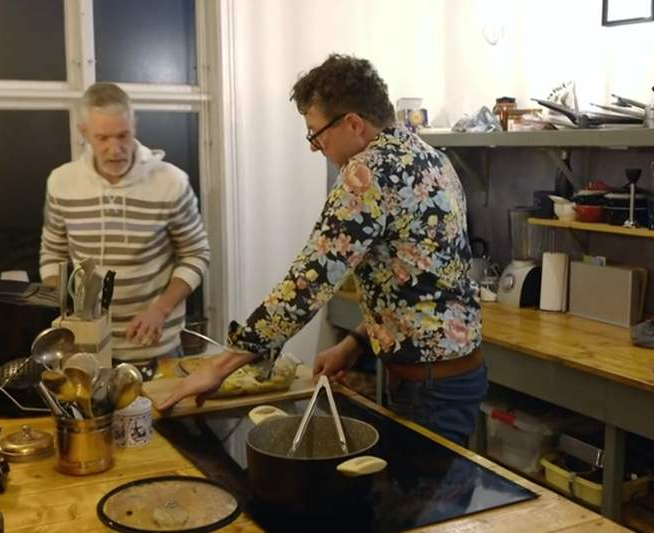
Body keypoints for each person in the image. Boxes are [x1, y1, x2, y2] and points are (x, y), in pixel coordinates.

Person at [157, 54, 486, 446]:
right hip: (458, 379)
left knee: (423, 486)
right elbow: (418, 282)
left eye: (316, 133)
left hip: (428, 391)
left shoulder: (366, 173)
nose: (315, 147)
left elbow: (308, 282)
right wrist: (355, 343)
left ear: (353, 124)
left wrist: (221, 366)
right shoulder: (433, 158)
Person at [40, 83, 210, 365]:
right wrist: (65, 309)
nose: (115, 149)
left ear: (134, 126)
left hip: (155, 348)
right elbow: (52, 255)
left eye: (123, 135)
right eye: (102, 138)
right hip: (86, 349)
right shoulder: (61, 182)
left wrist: (161, 309)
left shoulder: (171, 182)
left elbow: (197, 254)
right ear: (84, 132)